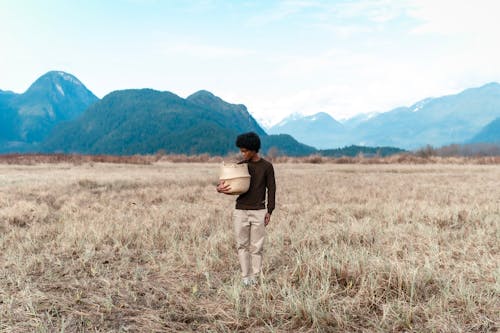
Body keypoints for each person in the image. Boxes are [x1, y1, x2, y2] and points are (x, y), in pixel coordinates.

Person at [217, 132, 276, 286]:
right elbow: (228, 184)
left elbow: (272, 189)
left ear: (253, 149)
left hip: (259, 212)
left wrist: (269, 210)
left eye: (244, 150)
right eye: (241, 150)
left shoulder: (267, 167)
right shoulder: (240, 167)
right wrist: (220, 189)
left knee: (257, 247)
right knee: (241, 245)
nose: (242, 153)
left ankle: (256, 277)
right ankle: (246, 277)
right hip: (240, 211)